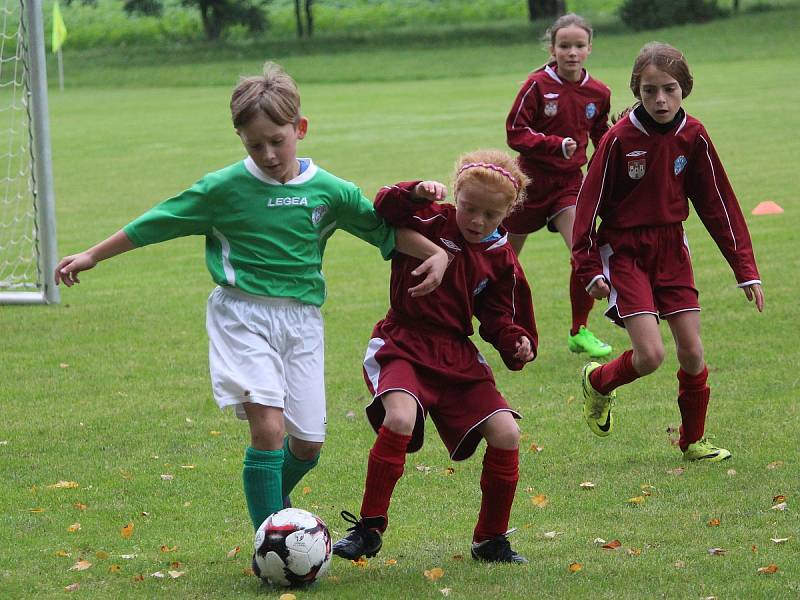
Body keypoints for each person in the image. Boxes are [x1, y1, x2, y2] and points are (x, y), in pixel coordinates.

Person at [53, 61, 449, 536]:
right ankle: (271, 539)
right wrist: (93, 254)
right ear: (240, 138)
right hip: (241, 316)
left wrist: (436, 255)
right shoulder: (222, 190)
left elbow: (383, 231)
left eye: (277, 140)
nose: (267, 153)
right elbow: (156, 222)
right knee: (268, 429)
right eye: (254, 143)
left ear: (299, 129)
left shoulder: (331, 192)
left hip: (302, 321)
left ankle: (275, 508)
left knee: (307, 444)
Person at [332, 150, 538, 564]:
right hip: (404, 342)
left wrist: (515, 341)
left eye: (491, 216)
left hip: (455, 353)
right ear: (455, 195)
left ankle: (490, 540)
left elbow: (499, 316)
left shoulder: (500, 256)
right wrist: (415, 192)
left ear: (508, 214)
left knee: (507, 434)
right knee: (401, 418)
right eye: (469, 208)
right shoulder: (431, 219)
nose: (477, 221)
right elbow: (384, 206)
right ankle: (369, 528)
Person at [572, 42, 764, 461]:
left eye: (670, 89)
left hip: (672, 248)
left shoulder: (693, 135)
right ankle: (599, 381)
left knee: (692, 351)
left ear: (685, 89)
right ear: (637, 91)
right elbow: (588, 205)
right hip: (627, 251)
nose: (660, 99)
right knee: (651, 355)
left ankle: (693, 440)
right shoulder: (618, 139)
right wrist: (589, 268)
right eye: (650, 90)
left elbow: (718, 203)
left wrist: (744, 268)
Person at [505, 13, 612, 359]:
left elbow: (600, 137)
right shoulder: (537, 85)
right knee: (500, 261)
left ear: (589, 48)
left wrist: (611, 147)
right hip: (529, 184)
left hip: (568, 184)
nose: (572, 52)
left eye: (579, 45)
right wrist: (554, 144)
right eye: (564, 45)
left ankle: (579, 330)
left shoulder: (599, 92)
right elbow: (515, 132)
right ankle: (497, 322)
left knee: (582, 250)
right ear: (553, 49)